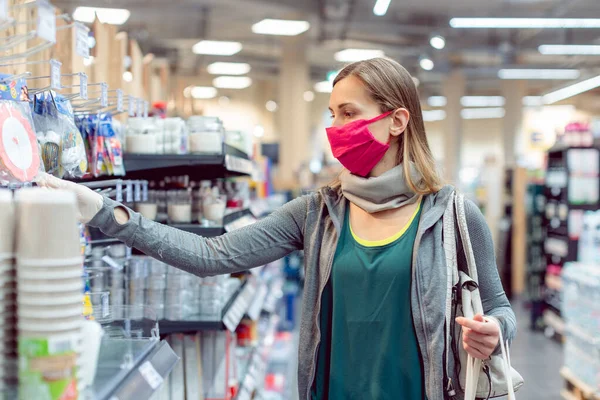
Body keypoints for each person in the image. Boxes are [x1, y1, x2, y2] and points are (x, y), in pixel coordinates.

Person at [41, 57, 516, 400]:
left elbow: (498, 308)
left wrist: (494, 329)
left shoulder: (452, 214)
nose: (335, 129)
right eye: (332, 115)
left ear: (397, 121)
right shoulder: (318, 213)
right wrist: (105, 212)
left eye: (349, 114)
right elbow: (213, 256)